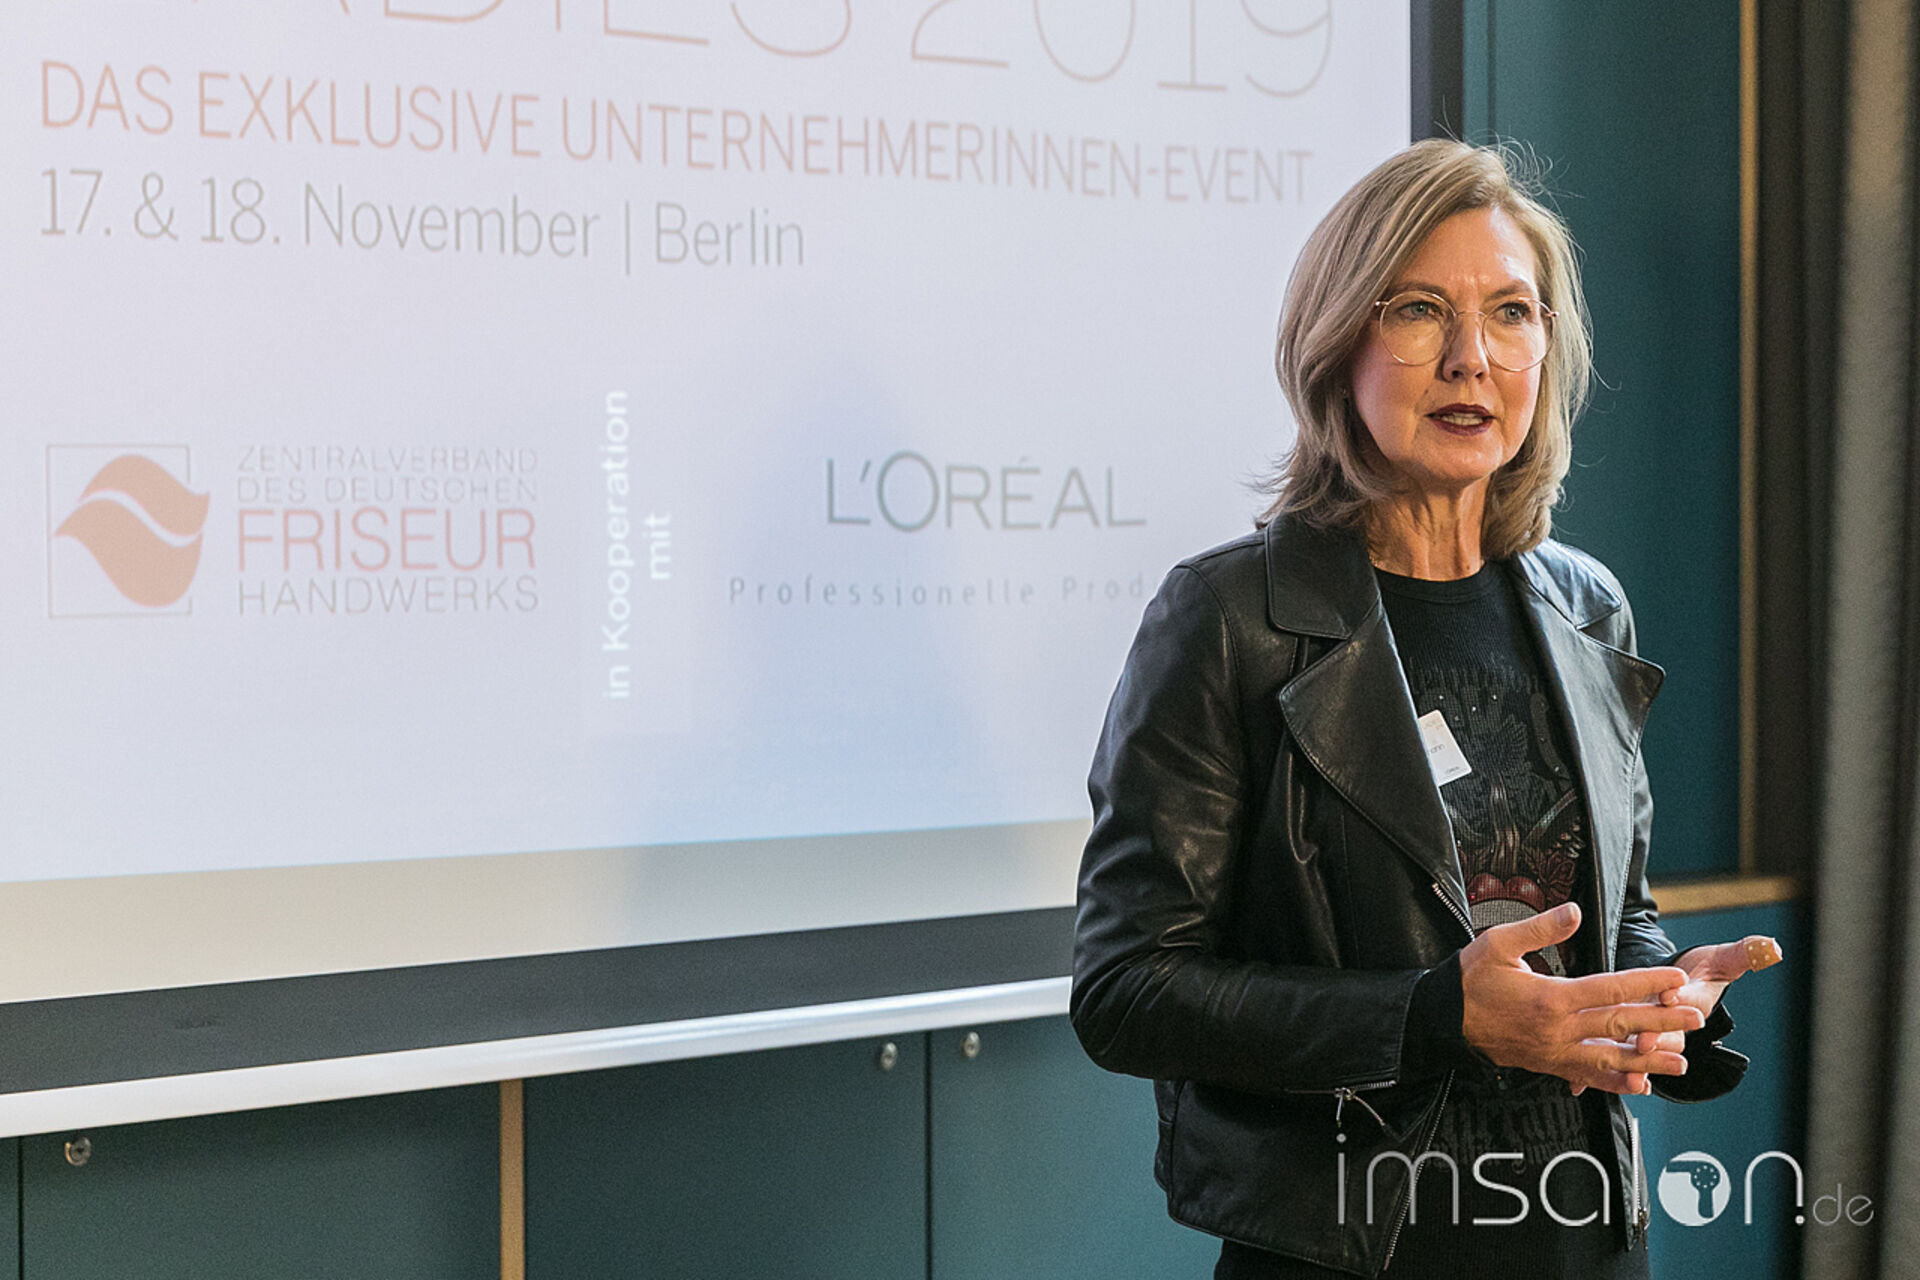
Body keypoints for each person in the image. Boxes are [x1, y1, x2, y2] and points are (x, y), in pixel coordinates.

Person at [1071, 139, 1780, 1279]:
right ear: (1336, 343)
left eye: (1511, 313)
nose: (1470, 357)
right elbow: (1127, 991)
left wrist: (1658, 990)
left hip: (1582, 1233)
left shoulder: (1587, 605)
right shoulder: (1227, 618)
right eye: (1417, 310)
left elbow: (1614, 911)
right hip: (1347, 1244)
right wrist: (1431, 1016)